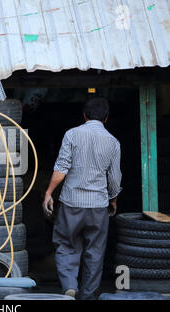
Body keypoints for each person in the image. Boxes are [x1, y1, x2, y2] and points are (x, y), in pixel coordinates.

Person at [42, 97, 122, 300]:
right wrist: (112, 200)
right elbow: (114, 178)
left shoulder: (72, 135)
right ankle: (88, 295)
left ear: (84, 115)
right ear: (106, 118)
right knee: (95, 253)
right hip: (98, 206)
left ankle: (69, 285)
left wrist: (49, 193)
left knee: (65, 244)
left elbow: (61, 167)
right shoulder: (113, 142)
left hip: (71, 203)